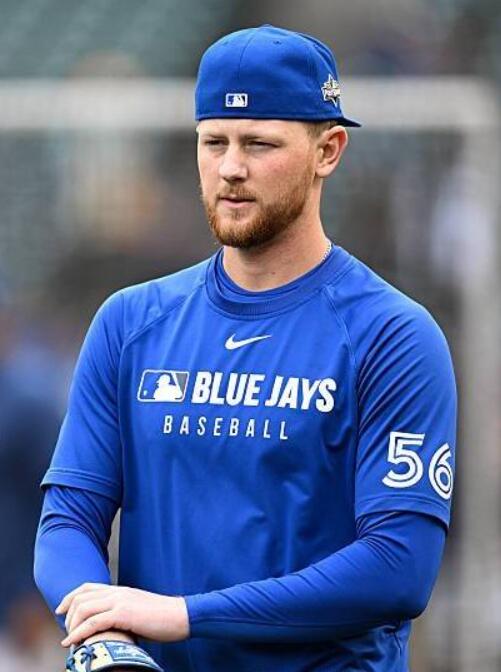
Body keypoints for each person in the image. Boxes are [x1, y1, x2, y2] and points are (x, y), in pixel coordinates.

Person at [34, 24, 457, 672]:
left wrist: (184, 615)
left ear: (328, 151)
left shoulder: (392, 335)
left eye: (259, 144)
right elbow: (66, 521)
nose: (231, 168)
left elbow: (397, 567)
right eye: (214, 142)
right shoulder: (130, 322)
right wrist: (103, 635)